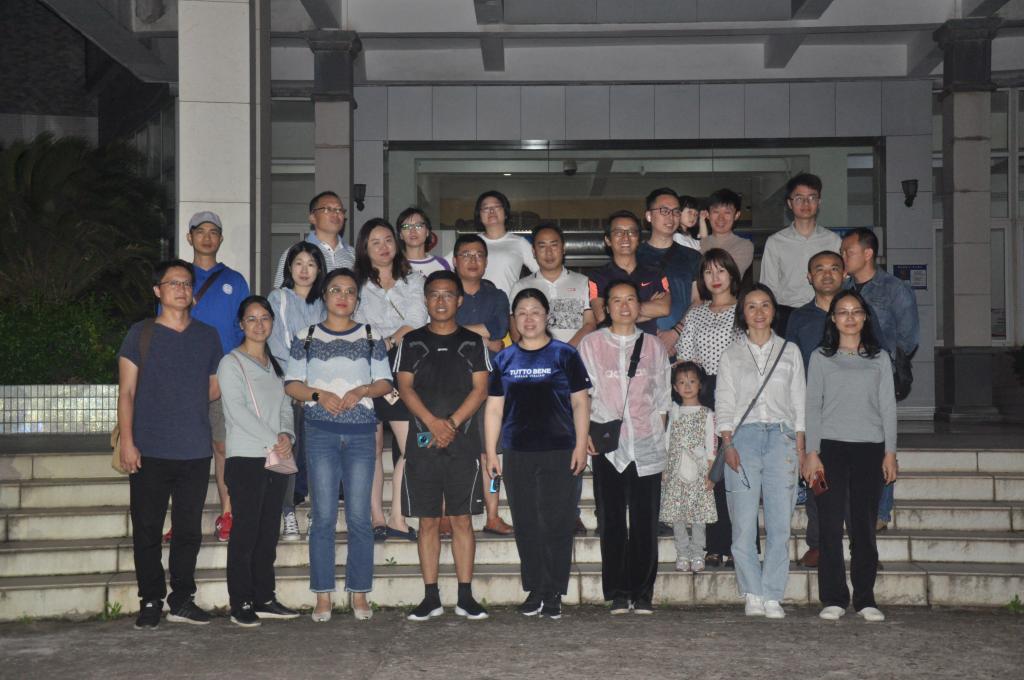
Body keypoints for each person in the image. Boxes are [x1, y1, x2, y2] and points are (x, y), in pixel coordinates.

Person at [284, 268, 393, 622]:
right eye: (335, 290)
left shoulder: (371, 335)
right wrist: (319, 395)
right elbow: (292, 384)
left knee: (360, 516)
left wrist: (362, 390)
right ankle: (323, 595)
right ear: (324, 296)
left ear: (357, 300)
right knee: (323, 517)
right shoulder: (306, 336)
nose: (343, 297)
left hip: (361, 433)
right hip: (320, 432)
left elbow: (385, 382)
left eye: (349, 291)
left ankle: (359, 593)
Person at [118, 259, 222, 630]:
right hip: (149, 448)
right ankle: (150, 599)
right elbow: (126, 392)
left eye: (186, 283)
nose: (181, 289)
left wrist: (183, 401)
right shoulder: (141, 333)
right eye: (173, 283)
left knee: (188, 530)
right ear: (157, 291)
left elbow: (214, 387)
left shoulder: (207, 335)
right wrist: (128, 441)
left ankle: (181, 599)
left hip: (194, 448)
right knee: (147, 528)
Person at [484, 289, 592, 620]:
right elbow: (494, 409)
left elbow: (580, 402)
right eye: (522, 312)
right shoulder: (504, 359)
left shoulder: (565, 354)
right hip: (518, 451)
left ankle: (554, 590)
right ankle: (535, 587)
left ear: (547, 316)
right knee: (527, 521)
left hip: (559, 450)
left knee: (557, 522)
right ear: (513, 319)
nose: (528, 318)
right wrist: (491, 452)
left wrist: (581, 444)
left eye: (535, 311)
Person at [395, 271, 491, 621]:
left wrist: (450, 424)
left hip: (463, 443)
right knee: (428, 521)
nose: (440, 301)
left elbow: (480, 389)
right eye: (434, 294)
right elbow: (405, 387)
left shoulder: (473, 342)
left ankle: (466, 596)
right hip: (423, 442)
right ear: (425, 300)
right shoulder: (412, 341)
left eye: (448, 294)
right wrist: (433, 423)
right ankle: (430, 597)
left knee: (462, 519)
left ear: (459, 300)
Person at [803, 290, 898, 623]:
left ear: (865, 316)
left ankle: (865, 598)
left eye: (856, 311)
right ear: (833, 318)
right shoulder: (820, 357)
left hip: (870, 448)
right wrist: (811, 452)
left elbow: (888, 407)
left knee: (863, 527)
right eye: (842, 312)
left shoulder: (880, 358)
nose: (850, 317)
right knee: (829, 526)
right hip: (830, 449)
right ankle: (833, 598)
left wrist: (890, 452)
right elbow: (812, 406)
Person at [579, 280, 670, 615]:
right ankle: (618, 591)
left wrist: (659, 439)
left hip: (646, 444)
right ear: (606, 307)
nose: (624, 306)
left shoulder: (654, 346)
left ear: (639, 305)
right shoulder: (591, 344)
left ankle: (643, 591)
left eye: (630, 299)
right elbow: (581, 395)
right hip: (608, 446)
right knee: (612, 520)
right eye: (616, 300)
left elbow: (662, 398)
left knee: (646, 523)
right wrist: (584, 434)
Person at [716, 284, 806, 620]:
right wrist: (727, 443)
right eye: (751, 306)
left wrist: (800, 448)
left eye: (765, 305)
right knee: (743, 521)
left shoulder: (790, 351)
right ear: (743, 313)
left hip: (782, 439)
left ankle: (773, 593)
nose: (758, 312)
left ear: (774, 310)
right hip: (744, 439)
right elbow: (724, 400)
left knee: (780, 523)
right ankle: (752, 591)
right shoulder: (732, 353)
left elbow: (799, 402)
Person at [509, 223, 596, 536]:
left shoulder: (583, 282)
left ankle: (570, 512)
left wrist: (561, 353)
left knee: (571, 441)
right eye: (541, 246)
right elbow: (515, 330)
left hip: (571, 375)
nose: (548, 251)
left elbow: (591, 322)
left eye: (554, 244)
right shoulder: (521, 286)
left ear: (564, 248)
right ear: (533, 251)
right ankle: (537, 510)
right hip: (532, 378)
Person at [217, 296, 299, 627]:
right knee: (246, 533)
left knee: (267, 533)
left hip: (274, 458)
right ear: (241, 324)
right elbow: (236, 411)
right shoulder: (231, 363)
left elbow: (285, 407)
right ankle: (241, 602)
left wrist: (287, 435)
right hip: (246, 459)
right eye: (251, 318)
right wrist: (273, 439)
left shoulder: (276, 365)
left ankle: (264, 597)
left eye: (265, 317)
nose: (259, 324)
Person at [353, 218, 427, 542]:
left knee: (410, 445)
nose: (384, 247)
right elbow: (354, 325)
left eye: (387, 240)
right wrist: (379, 343)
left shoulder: (414, 280)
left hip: (404, 370)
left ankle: (398, 516)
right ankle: (377, 518)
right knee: (371, 448)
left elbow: (418, 320)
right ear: (364, 248)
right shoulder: (355, 284)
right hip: (366, 371)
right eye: (375, 242)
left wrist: (390, 340)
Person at [841, 227, 919, 531]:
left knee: (882, 444)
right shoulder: (844, 288)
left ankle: (880, 511)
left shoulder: (894, 289)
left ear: (868, 253)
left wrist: (882, 362)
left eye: (848, 251)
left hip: (878, 378)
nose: (843, 256)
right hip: (844, 378)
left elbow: (909, 338)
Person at [674, 248, 744, 567]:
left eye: (721, 270)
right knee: (709, 474)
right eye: (708, 272)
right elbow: (685, 359)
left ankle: (741, 545)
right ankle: (715, 545)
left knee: (735, 472)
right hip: (703, 397)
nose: (715, 278)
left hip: (737, 396)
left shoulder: (745, 309)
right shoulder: (696, 313)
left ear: (732, 274)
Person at [185, 211, 250, 543]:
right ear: (190, 237)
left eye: (214, 232)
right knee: (184, 451)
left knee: (223, 447)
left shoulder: (235, 281)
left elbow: (246, 330)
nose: (207, 237)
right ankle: (183, 519)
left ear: (221, 239)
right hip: (185, 378)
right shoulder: (179, 278)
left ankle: (228, 513)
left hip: (224, 376)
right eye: (201, 231)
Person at [785, 249, 845, 568]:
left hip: (853, 409)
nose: (827, 274)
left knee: (855, 482)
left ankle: (862, 545)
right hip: (812, 409)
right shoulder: (799, 319)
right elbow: (790, 365)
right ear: (809, 277)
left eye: (834, 268)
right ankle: (819, 544)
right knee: (817, 478)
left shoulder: (857, 311)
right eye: (819, 269)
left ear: (844, 274)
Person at [453, 233, 514, 536]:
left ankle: (492, 514)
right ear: (455, 261)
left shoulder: (497, 297)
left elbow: (498, 329)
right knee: (450, 452)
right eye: (466, 254)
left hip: (489, 386)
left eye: (479, 255)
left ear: (486, 262)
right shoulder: (445, 292)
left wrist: (455, 330)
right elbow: (437, 327)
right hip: (450, 385)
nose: (473, 260)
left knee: (491, 453)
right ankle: (447, 513)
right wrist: (483, 338)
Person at [268, 243, 327, 542]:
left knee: (318, 450)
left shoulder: (325, 302)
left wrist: (314, 385)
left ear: (319, 270)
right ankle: (287, 511)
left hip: (320, 388)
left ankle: (318, 511)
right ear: (289, 268)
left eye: (311, 264)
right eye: (299, 263)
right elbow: (276, 343)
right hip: (287, 387)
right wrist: (298, 383)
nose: (304, 270)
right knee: (287, 447)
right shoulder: (277, 298)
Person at [759, 173, 842, 332]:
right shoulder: (775, 242)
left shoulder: (833, 240)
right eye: (799, 198)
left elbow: (842, 281)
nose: (806, 203)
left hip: (826, 313)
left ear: (819, 202)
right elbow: (768, 287)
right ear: (789, 203)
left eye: (812, 198)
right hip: (787, 315)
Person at [660, 362, 717, 574]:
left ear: (700, 384)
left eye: (692, 381)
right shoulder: (674, 412)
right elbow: (667, 441)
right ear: (675, 387)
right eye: (682, 382)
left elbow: (711, 445)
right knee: (678, 515)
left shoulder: (707, 413)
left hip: (699, 471)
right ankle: (682, 553)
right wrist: (664, 468)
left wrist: (710, 471)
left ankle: (697, 552)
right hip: (676, 470)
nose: (687, 386)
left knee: (698, 516)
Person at [638, 188, 701, 353]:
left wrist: (674, 334)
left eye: (676, 212)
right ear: (649, 216)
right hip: (641, 344)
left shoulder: (692, 257)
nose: (671, 217)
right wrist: (654, 334)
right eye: (664, 211)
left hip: (684, 344)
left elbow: (698, 301)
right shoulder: (634, 256)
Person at [588, 210, 670, 336]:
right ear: (608, 240)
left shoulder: (655, 273)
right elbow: (602, 317)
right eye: (618, 232)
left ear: (638, 239)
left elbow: (664, 308)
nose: (626, 237)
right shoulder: (597, 276)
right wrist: (648, 309)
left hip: (646, 343)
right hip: (610, 344)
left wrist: (619, 313)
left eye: (631, 232)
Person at [447, 190, 538, 297]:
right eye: (486, 208)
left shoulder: (519, 243)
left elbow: (542, 272)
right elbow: (442, 266)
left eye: (496, 207)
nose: (491, 211)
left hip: (508, 305)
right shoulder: (471, 243)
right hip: (473, 304)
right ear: (479, 216)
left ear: (505, 213)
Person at [273, 191, 355, 288]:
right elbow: (280, 293)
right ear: (312, 218)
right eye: (328, 209)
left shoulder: (353, 254)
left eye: (339, 210)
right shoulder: (295, 253)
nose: (335, 214)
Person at [701, 189, 754, 279]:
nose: (721, 218)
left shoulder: (744, 245)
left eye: (727, 212)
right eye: (716, 212)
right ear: (708, 214)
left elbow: (729, 276)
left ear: (736, 215)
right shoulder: (697, 244)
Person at [396, 207, 451, 276]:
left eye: (418, 225)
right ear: (400, 234)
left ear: (427, 232)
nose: (412, 231)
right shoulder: (394, 265)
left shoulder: (442, 264)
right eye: (406, 226)